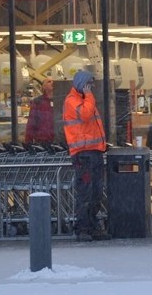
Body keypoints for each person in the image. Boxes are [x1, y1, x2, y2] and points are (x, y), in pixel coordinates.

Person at [63, 69, 108, 242]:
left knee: (96, 192)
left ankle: (92, 225)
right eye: (89, 84)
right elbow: (85, 114)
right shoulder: (72, 101)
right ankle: (83, 228)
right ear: (82, 84)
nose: (92, 88)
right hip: (83, 155)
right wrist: (89, 95)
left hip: (94, 151)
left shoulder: (83, 100)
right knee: (86, 193)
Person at [24, 78, 55, 146]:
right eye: (49, 82)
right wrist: (28, 142)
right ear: (43, 87)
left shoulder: (61, 101)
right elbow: (31, 123)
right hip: (42, 142)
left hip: (59, 141)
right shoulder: (37, 102)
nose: (52, 82)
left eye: (53, 81)